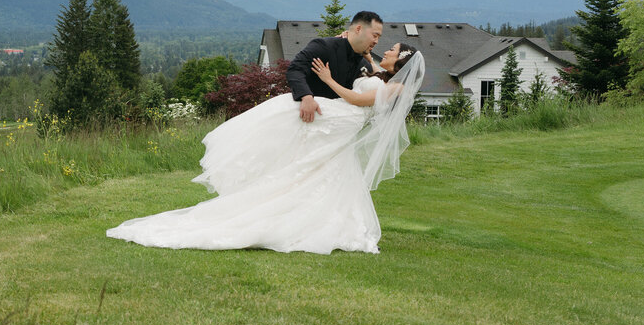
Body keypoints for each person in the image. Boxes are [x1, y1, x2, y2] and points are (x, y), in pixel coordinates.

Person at [107, 42, 424, 255]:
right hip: (341, 119)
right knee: (312, 160)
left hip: (342, 117)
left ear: (401, 62)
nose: (385, 48)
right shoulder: (380, 74)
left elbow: (356, 99)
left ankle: (296, 208)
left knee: (293, 129)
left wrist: (327, 79)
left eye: (392, 49)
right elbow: (366, 70)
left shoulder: (395, 86)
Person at [286, 11, 384, 123]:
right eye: (374, 36)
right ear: (358, 29)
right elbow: (295, 69)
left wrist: (370, 60)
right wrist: (306, 97)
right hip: (307, 117)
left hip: (339, 127)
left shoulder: (364, 65)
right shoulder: (324, 46)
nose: (376, 41)